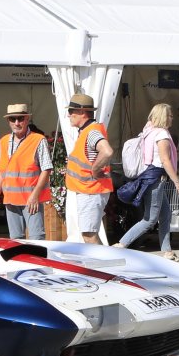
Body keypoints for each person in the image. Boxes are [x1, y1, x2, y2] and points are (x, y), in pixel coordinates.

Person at [114, 103, 179, 257]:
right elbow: (165, 160)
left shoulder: (148, 131)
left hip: (150, 177)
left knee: (165, 215)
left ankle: (167, 250)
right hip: (156, 178)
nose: (172, 118)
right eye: (170, 115)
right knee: (150, 220)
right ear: (164, 117)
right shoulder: (162, 135)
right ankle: (121, 244)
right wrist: (177, 182)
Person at [0, 102, 52, 240]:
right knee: (16, 239)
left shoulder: (38, 140)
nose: (17, 123)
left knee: (36, 239)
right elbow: (2, 170)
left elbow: (46, 169)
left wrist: (35, 195)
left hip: (31, 199)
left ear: (27, 119)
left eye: (20, 118)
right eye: (13, 119)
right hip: (10, 199)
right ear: (8, 121)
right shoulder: (3, 141)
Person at [62, 92, 115, 243]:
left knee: (89, 234)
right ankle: (102, 258)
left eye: (71, 111)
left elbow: (107, 151)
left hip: (92, 191)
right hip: (90, 190)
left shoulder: (91, 131)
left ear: (82, 112)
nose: (68, 115)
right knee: (89, 233)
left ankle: (102, 259)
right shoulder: (87, 131)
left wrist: (95, 171)